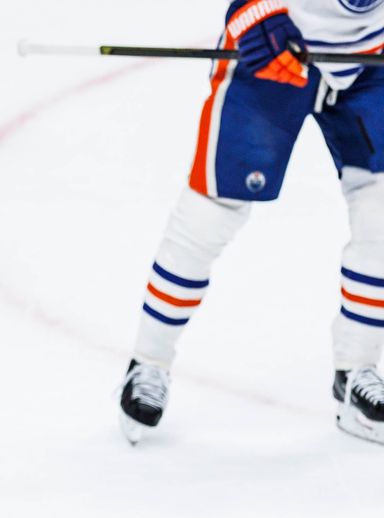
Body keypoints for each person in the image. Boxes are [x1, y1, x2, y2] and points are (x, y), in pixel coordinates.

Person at [120, 0, 384, 444]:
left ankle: (355, 373)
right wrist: (254, 12)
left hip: (370, 58)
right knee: (211, 212)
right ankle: (148, 360)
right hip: (277, 48)